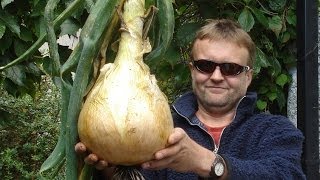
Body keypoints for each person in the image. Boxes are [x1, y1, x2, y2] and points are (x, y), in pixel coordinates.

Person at [75, 19, 306, 179]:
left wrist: (206, 162)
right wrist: (111, 168)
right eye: (205, 66)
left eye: (230, 68)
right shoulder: (164, 130)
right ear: (192, 70)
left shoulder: (274, 129)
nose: (216, 76)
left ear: (248, 76)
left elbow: (288, 174)